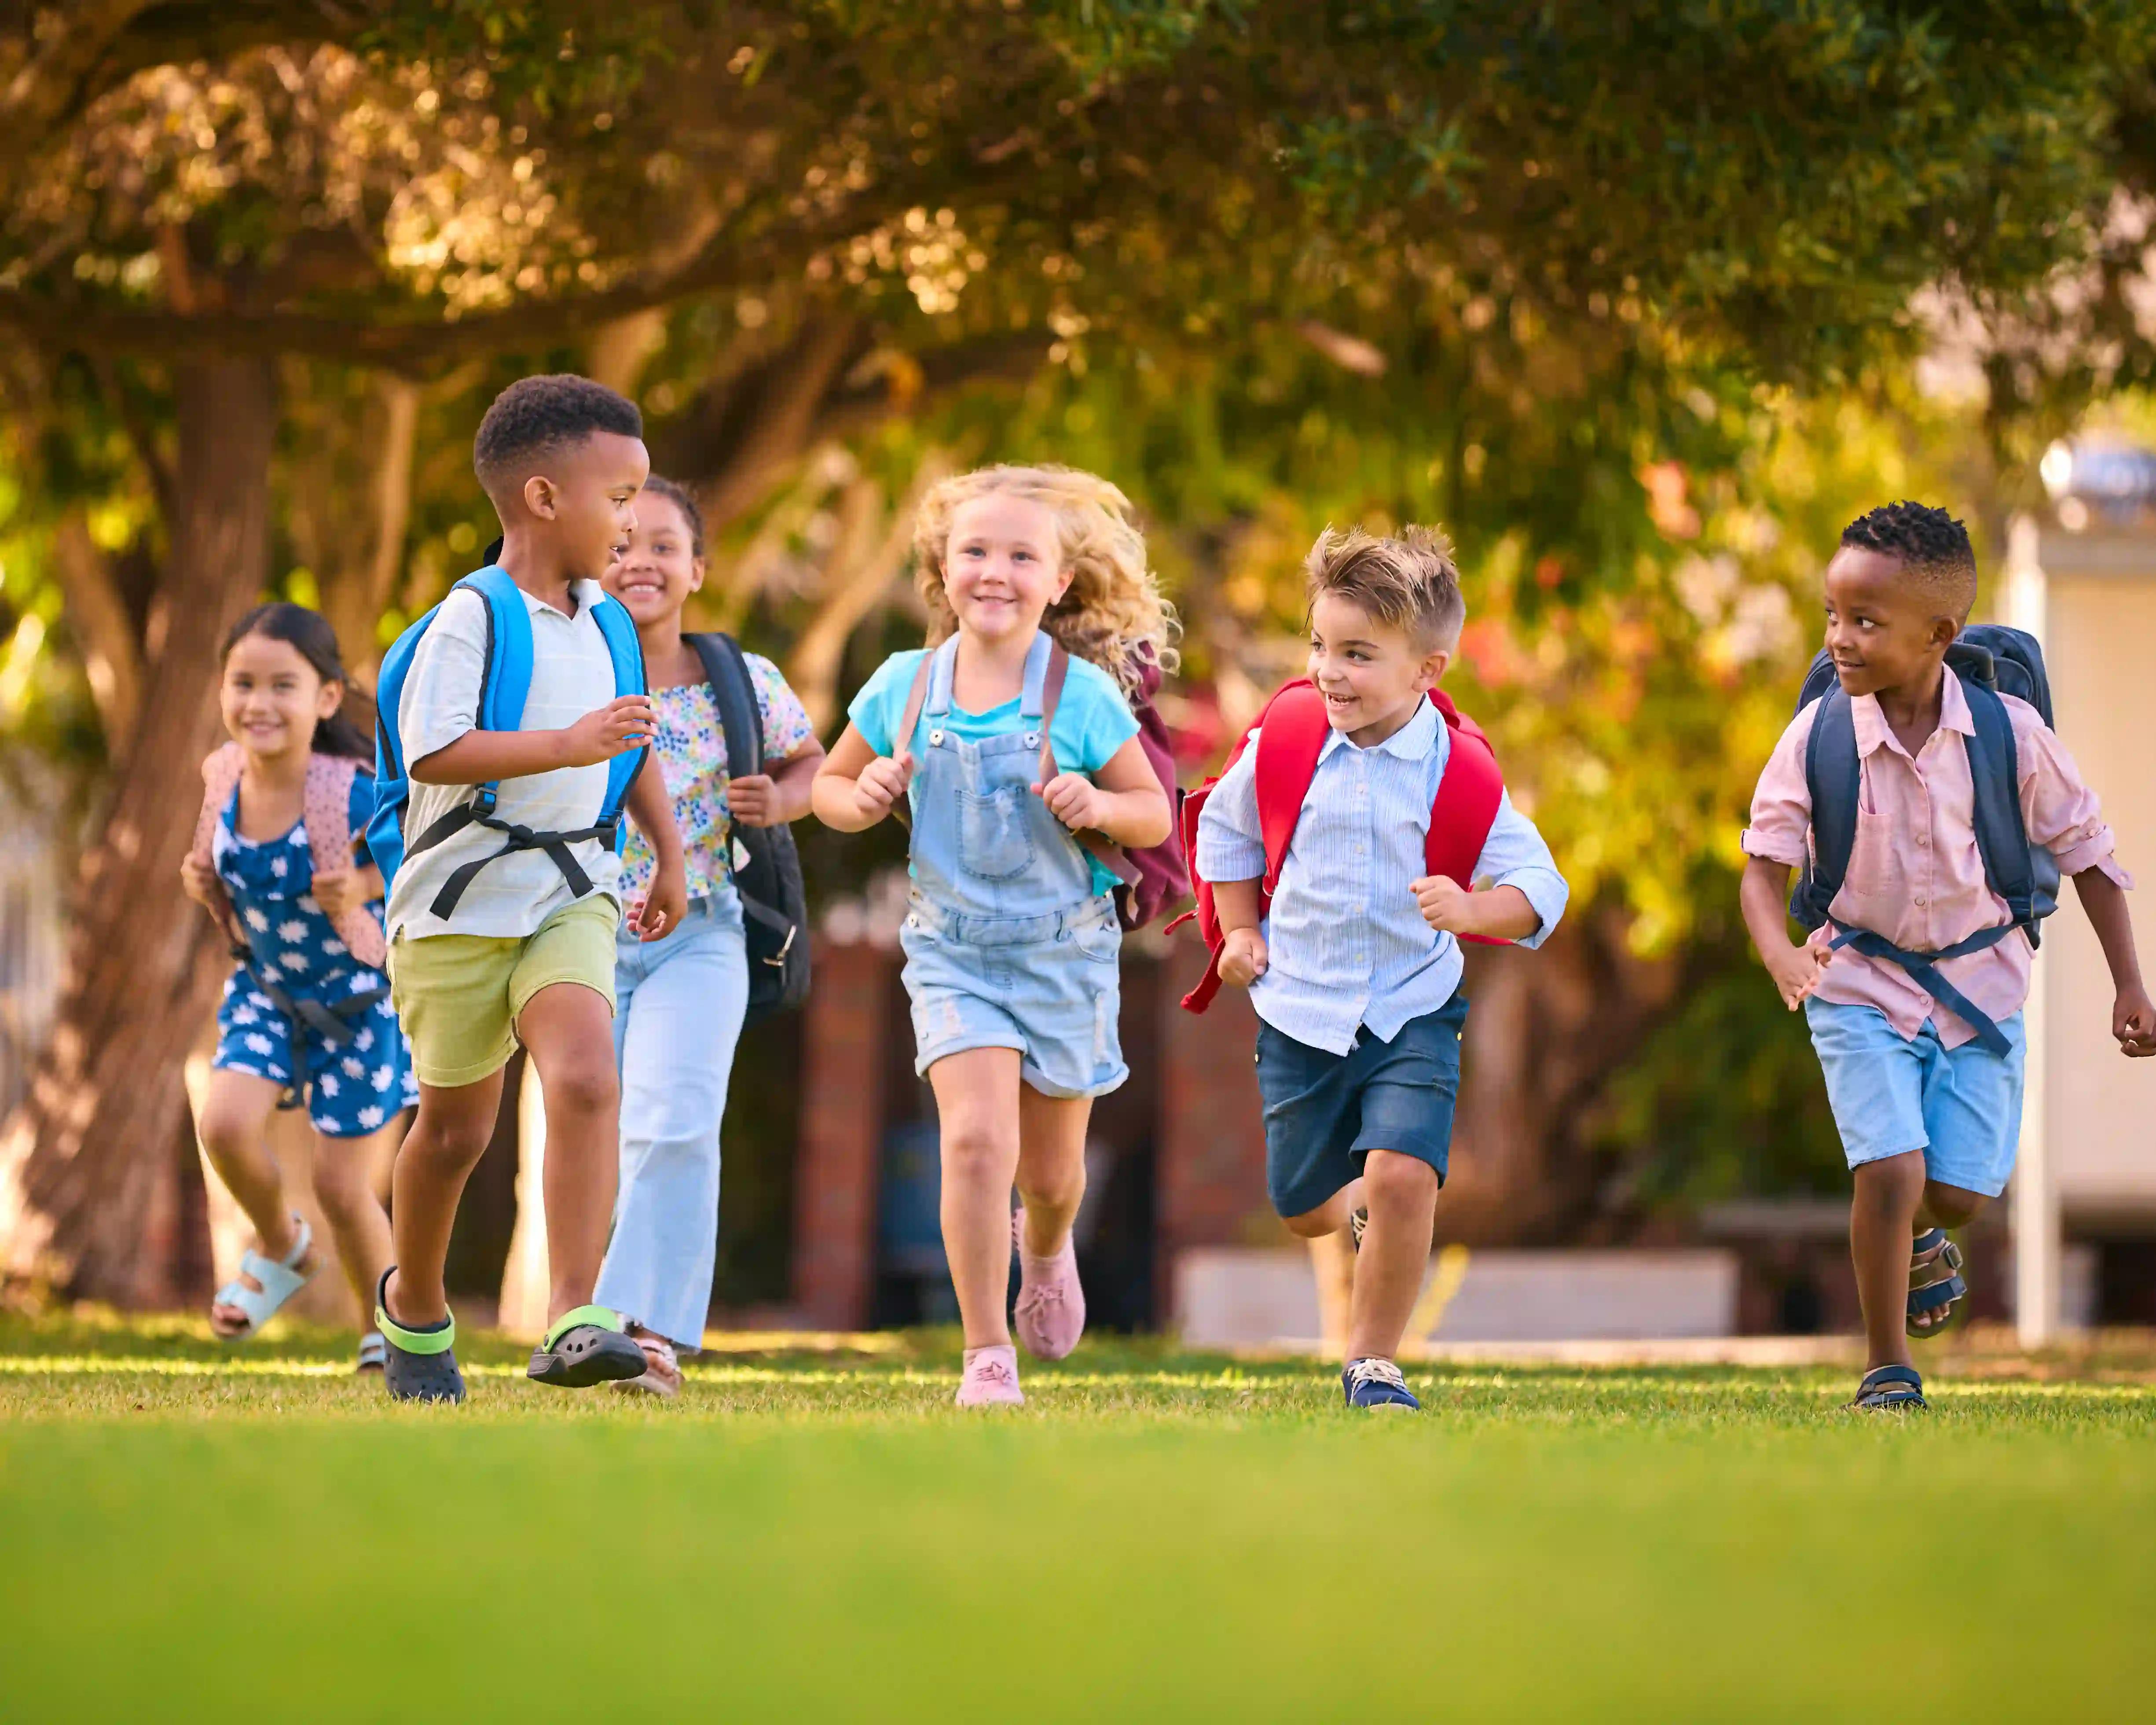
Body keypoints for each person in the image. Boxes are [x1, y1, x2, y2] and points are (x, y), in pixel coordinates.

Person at [1741, 501, 2154, 1411]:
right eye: (1832, 615)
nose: (1838, 639)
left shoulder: (2011, 734)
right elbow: (1762, 869)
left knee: (1958, 1195)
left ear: (1938, 636)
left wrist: (2129, 982)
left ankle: (1921, 1233)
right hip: (1856, 979)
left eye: (1864, 621)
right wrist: (1778, 951)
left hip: (1981, 987)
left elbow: (2089, 856)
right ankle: (1887, 1368)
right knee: (1889, 1170)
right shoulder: (1818, 737)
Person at [813, 464, 1174, 1407]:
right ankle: (985, 1353)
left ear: (1058, 582)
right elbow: (826, 788)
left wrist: (1099, 802)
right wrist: (861, 795)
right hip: (953, 954)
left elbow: (1153, 813)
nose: (995, 572)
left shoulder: (1081, 696)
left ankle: (1045, 1247)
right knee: (976, 1144)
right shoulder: (904, 685)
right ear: (944, 569)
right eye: (975, 551)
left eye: (1021, 556)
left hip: (1063, 955)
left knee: (1050, 1176)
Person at [1196, 527, 1569, 1410]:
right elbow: (1225, 834)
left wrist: (1472, 910)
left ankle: (1372, 1364)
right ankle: (1357, 1198)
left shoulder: (1457, 771)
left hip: (1412, 1009)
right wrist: (1239, 934)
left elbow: (1541, 886)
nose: (1328, 672)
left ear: (1426, 671)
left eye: (1357, 654)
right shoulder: (1286, 742)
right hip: (1300, 1012)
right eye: (1320, 646)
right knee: (1303, 1208)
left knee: (1404, 1175)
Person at [372, 374, 688, 1404]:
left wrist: (669, 852)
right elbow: (434, 750)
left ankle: (572, 1317)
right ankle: (414, 1306)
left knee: (588, 1078)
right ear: (544, 498)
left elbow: (630, 742)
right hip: (457, 905)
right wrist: (565, 742)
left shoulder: (607, 623)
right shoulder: (473, 616)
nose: (632, 524)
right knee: (454, 1133)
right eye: (620, 497)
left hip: (570, 889)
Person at [590, 476, 825, 1397]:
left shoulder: (741, 677)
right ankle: (582, 1319)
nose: (639, 562)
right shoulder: (566, 672)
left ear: (697, 568)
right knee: (595, 1132)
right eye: (619, 545)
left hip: (704, 931)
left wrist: (781, 799)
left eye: (662, 545)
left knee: (676, 1119)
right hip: (578, 934)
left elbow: (808, 762)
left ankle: (649, 1336)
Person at [179, 603, 411, 1370]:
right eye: (243, 683)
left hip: (356, 1006)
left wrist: (366, 884)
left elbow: (419, 859)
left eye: (284, 685)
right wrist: (201, 880)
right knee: (222, 1125)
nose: (260, 703)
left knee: (343, 1188)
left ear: (326, 698)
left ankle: (391, 1332)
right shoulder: (222, 776)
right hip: (269, 993)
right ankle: (282, 1244)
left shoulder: (350, 791)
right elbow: (223, 867)